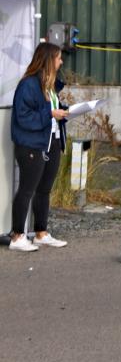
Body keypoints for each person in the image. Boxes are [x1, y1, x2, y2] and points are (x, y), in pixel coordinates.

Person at [9, 43, 70, 252]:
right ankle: (17, 236)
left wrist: (62, 112)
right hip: (31, 145)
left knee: (44, 190)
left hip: (51, 141)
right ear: (48, 60)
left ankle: (41, 233)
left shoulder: (50, 85)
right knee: (27, 189)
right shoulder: (28, 85)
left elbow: (49, 111)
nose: (61, 62)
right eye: (58, 58)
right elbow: (23, 117)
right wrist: (51, 114)